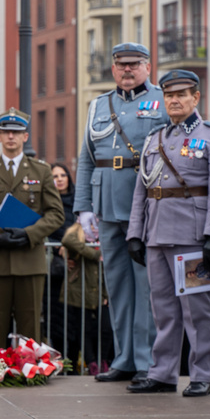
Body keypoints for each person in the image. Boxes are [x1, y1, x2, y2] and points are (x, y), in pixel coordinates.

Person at [126, 69, 210, 397]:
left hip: (193, 234)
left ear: (196, 97)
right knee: (163, 309)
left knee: (198, 310)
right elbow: (141, 190)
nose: (174, 100)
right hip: (157, 233)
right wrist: (135, 233)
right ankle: (163, 373)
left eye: (182, 94)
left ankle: (202, 374)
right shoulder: (155, 138)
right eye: (169, 95)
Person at [74, 43, 168, 384]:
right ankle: (124, 357)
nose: (127, 70)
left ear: (147, 66)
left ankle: (146, 360)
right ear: (113, 68)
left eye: (134, 64)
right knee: (117, 286)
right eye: (121, 65)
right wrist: (83, 207)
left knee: (146, 288)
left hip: (144, 206)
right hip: (106, 205)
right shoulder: (99, 104)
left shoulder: (160, 101)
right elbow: (85, 158)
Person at [0, 108, 64, 349]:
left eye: (16, 132)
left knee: (30, 329)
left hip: (29, 260)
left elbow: (56, 214)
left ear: (25, 137)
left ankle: (30, 378)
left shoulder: (41, 171)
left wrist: (29, 234)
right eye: (6, 132)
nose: (11, 136)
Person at [59, 221, 103, 375]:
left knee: (104, 328)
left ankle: (101, 360)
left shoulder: (102, 231)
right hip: (79, 289)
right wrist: (95, 254)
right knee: (82, 328)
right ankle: (91, 362)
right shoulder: (77, 230)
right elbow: (67, 240)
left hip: (98, 289)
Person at [45, 162, 76, 354]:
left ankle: (73, 361)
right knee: (55, 317)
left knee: (74, 318)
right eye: (55, 176)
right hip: (54, 269)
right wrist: (59, 250)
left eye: (63, 175)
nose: (59, 179)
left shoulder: (78, 203)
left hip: (76, 268)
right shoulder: (47, 203)